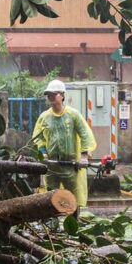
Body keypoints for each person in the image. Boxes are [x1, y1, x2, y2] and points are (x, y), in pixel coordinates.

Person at [31, 79, 96, 207]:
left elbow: (85, 134)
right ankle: (51, 223)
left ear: (62, 95)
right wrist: (43, 152)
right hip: (52, 165)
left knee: (73, 199)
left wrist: (84, 155)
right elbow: (37, 137)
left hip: (70, 165)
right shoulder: (44, 117)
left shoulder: (73, 115)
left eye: (54, 94)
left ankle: (73, 222)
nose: (51, 97)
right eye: (49, 95)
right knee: (50, 198)